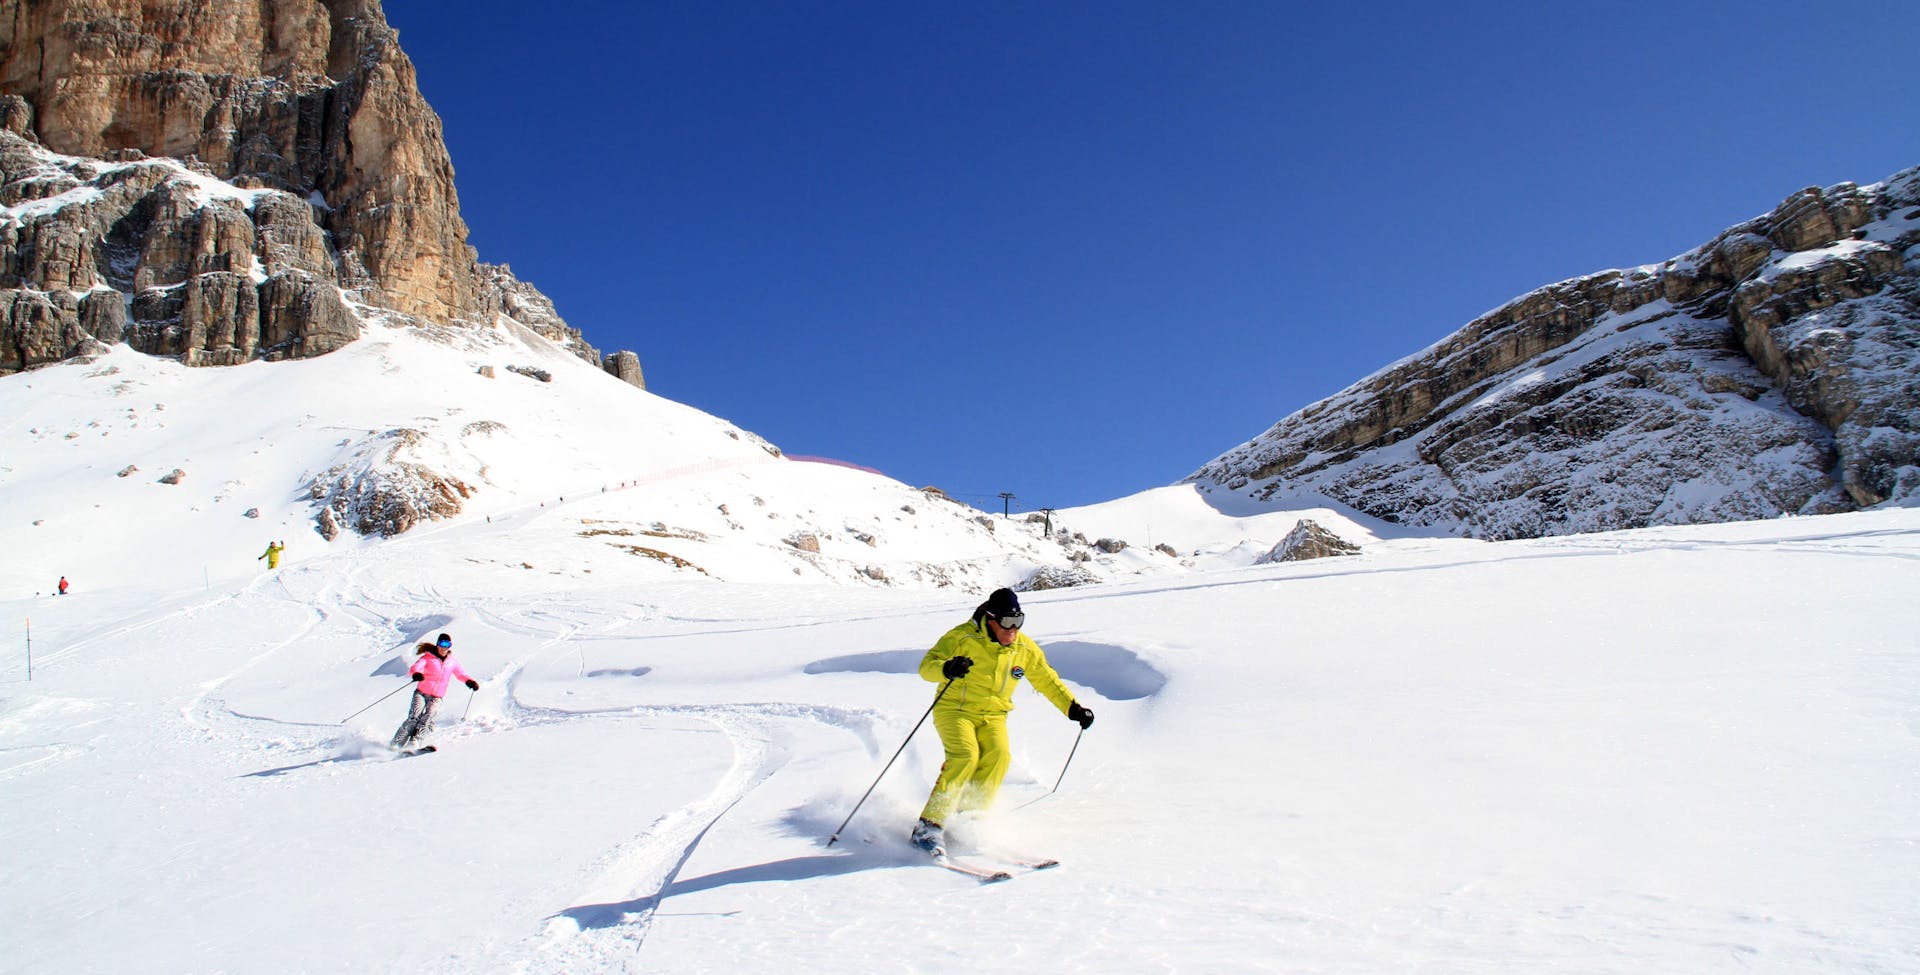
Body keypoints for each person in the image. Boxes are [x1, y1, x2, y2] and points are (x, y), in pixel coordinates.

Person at [910, 588, 1094, 854]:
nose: (1013, 630)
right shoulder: (962, 638)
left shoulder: (1023, 648)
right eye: (1007, 622)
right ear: (991, 619)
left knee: (999, 756)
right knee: (965, 757)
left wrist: (1073, 708)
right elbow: (926, 667)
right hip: (955, 709)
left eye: (1018, 622)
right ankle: (928, 827)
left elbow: (1046, 679)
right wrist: (947, 668)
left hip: (994, 715)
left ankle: (967, 821)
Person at [390, 632, 480, 752]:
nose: (444, 647)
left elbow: (460, 674)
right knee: (414, 716)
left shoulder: (452, 662)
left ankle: (415, 742)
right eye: (442, 644)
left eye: (448, 644)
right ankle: (397, 743)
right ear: (437, 644)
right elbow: (415, 668)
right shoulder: (428, 658)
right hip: (421, 693)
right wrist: (416, 674)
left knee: (428, 717)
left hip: (437, 696)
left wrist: (469, 682)